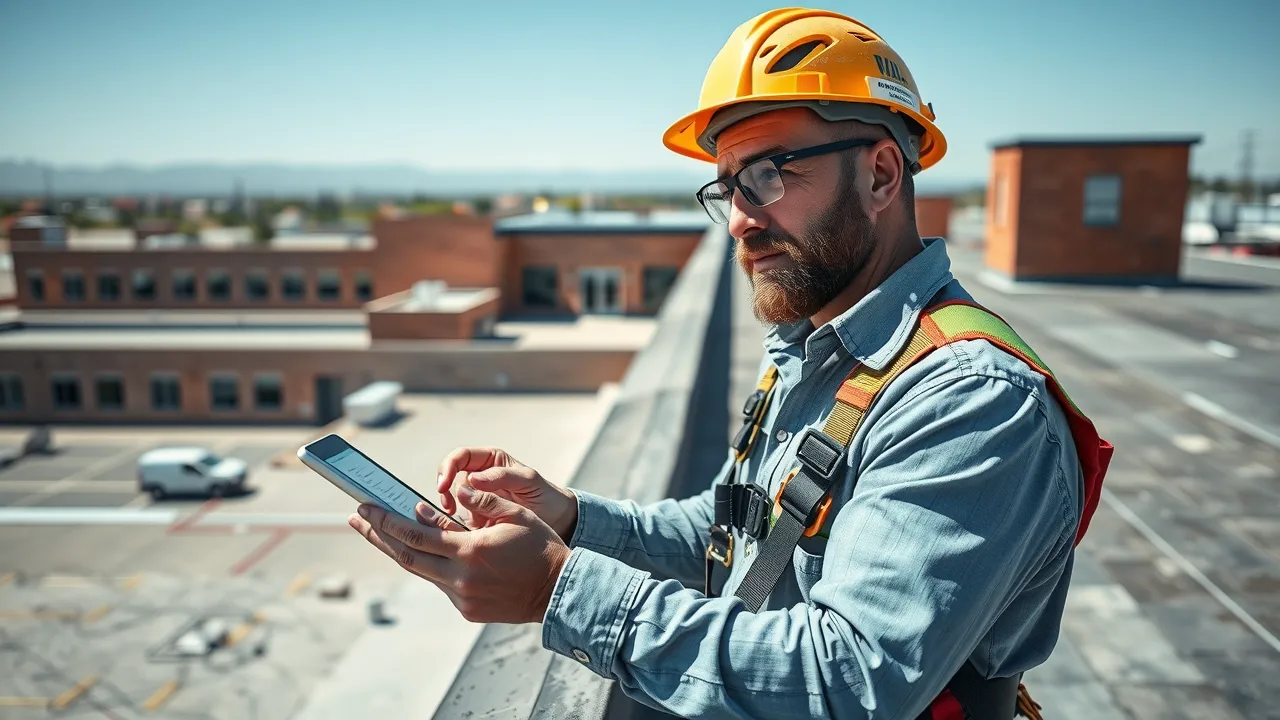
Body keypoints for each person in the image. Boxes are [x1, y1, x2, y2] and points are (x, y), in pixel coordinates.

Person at [347, 8, 1111, 719]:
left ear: (881, 174)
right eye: (728, 185)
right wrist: (572, 519)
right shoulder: (817, 351)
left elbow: (851, 682)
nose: (741, 217)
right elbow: (732, 537)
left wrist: (556, 588)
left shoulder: (969, 402)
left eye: (771, 174)